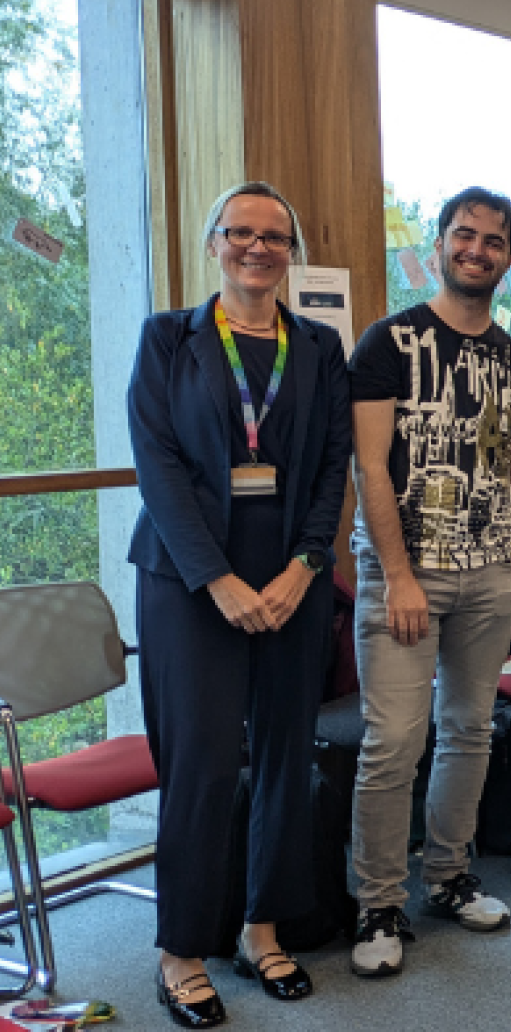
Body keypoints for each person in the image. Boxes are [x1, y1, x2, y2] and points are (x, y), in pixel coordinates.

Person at [130, 183, 348, 1026]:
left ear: (292, 251)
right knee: (204, 763)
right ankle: (181, 951)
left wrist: (307, 565)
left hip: (291, 579)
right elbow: (157, 465)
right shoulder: (168, 338)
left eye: (274, 237)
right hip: (189, 584)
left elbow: (331, 466)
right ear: (213, 242)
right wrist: (216, 578)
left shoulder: (318, 346)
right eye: (240, 232)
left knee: (288, 755)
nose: (257, 247)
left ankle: (263, 926)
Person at [348, 187, 511, 977]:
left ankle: (449, 874)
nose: (477, 249)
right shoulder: (388, 341)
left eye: (493, 241)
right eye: (464, 234)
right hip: (405, 575)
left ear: (508, 258)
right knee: (394, 740)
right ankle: (378, 901)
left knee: (470, 729)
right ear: (438, 245)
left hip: (491, 572)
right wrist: (397, 574)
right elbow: (369, 466)